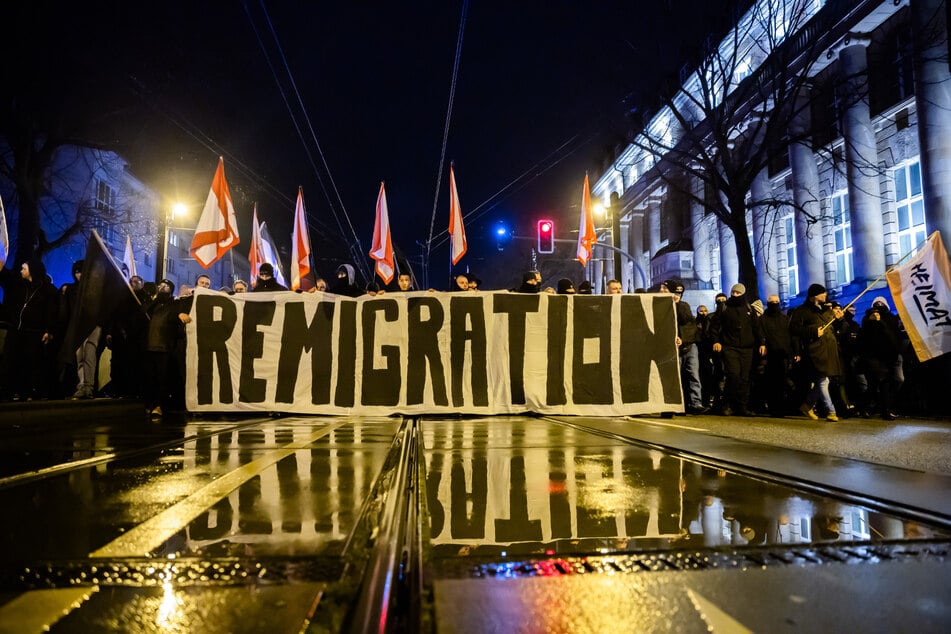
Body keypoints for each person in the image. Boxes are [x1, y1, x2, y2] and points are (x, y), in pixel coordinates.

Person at [788, 283, 844, 422]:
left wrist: (839, 320)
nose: (825, 295)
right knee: (823, 381)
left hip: (829, 351)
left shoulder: (825, 311)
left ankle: (807, 406)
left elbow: (834, 328)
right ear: (814, 296)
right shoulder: (802, 311)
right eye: (822, 293)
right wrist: (812, 332)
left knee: (824, 381)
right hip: (815, 352)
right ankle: (831, 411)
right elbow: (793, 330)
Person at [6, 258, 59, 400]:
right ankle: (16, 390)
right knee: (15, 361)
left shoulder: (47, 290)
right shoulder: (21, 287)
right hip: (18, 330)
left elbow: (51, 311)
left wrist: (49, 330)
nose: (21, 270)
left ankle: (34, 390)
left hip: (34, 332)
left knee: (33, 363)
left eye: (24, 268)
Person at [710, 283, 766, 417]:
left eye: (738, 293)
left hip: (747, 348)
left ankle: (742, 406)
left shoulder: (749, 309)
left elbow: (756, 327)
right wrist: (716, 341)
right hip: (730, 347)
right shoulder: (724, 307)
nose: (735, 295)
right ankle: (728, 404)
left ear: (743, 294)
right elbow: (714, 327)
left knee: (744, 378)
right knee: (733, 375)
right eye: (733, 292)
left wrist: (761, 343)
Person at [668, 280, 706, 414]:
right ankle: (678, 404)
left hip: (689, 345)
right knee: (675, 377)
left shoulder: (684, 306)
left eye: (680, 292)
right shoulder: (666, 306)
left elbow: (687, 322)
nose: (678, 294)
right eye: (675, 292)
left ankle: (695, 403)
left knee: (693, 375)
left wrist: (683, 339)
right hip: (675, 346)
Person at [760, 295, 793, 417]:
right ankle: (773, 407)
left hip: (782, 354)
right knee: (771, 382)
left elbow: (789, 336)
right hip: (770, 356)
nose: (775, 304)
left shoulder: (785, 319)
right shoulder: (763, 319)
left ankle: (781, 407)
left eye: (776, 302)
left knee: (782, 382)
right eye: (772, 302)